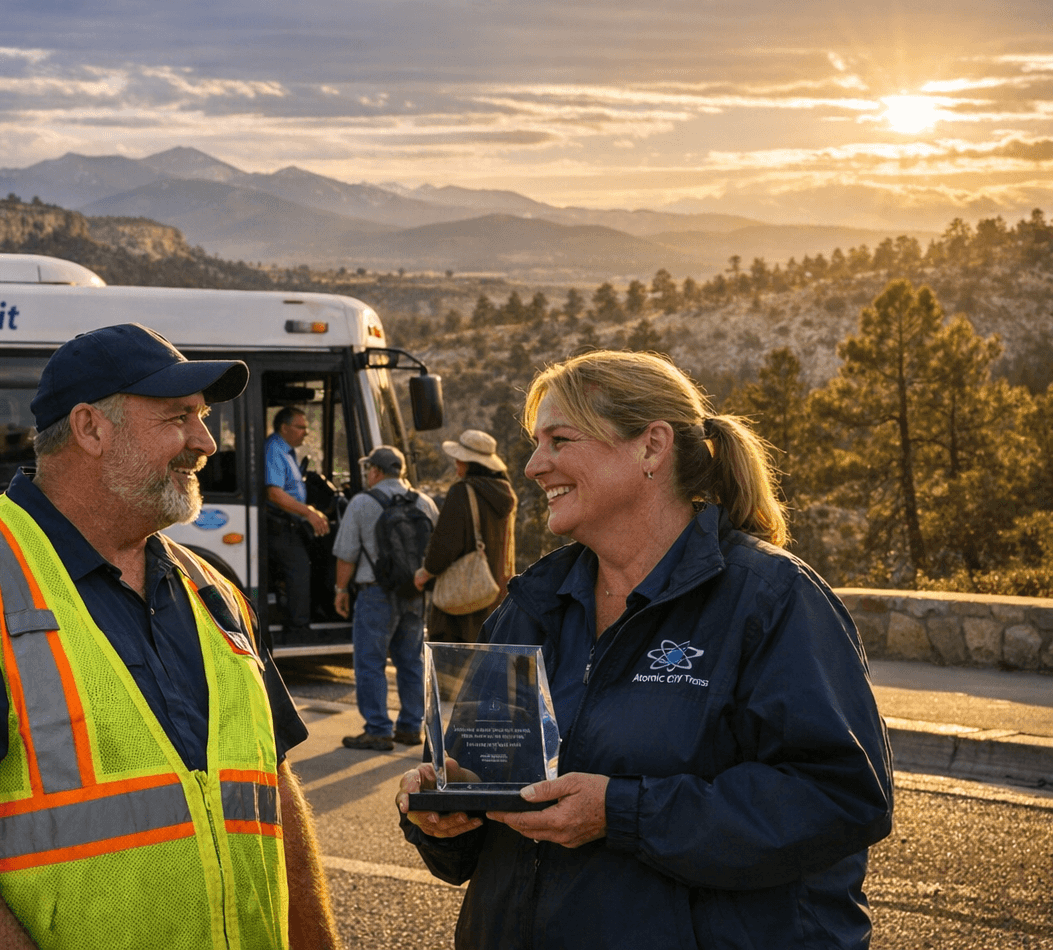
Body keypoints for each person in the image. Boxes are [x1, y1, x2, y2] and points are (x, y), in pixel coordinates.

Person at [0, 323, 341, 950]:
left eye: (203, 416)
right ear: (90, 429)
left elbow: (270, 787)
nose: (206, 441)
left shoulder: (210, 588)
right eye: (178, 417)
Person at [397, 349, 893, 949]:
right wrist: (443, 819)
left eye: (559, 439)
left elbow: (842, 799)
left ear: (652, 447)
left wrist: (623, 812)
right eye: (536, 442)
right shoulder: (529, 606)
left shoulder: (771, 600)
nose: (533, 466)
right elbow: (481, 833)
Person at [332, 445, 438, 751]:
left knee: (370, 661)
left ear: (375, 471)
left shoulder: (362, 503)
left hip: (375, 592)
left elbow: (346, 554)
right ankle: (410, 727)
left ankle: (378, 729)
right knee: (411, 662)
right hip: (415, 594)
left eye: (369, 470)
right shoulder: (425, 503)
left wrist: (341, 590)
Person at [413, 429, 516, 643]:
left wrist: (426, 573)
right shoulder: (506, 494)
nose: (456, 463)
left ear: (470, 463)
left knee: (453, 667)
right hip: (494, 596)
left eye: (459, 459)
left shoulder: (462, 492)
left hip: (461, 602)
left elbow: (444, 546)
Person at [264, 406, 330, 643]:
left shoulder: (286, 451)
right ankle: (298, 629)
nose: (306, 432)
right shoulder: (274, 450)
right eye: (301, 427)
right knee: (299, 569)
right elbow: (275, 494)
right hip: (278, 523)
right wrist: (310, 513)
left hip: (288, 521)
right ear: (284, 427)